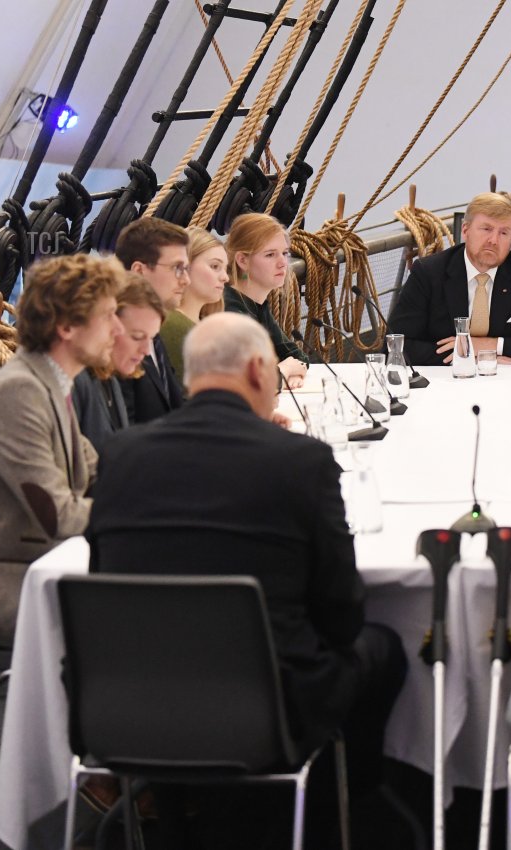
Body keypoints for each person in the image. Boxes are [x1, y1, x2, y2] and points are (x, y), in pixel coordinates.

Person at [87, 313, 404, 844]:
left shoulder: (121, 456)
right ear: (260, 370)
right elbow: (342, 611)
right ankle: (346, 807)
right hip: (268, 709)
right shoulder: (301, 463)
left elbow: (104, 579)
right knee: (384, 647)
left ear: (190, 379)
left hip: (127, 704)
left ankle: (173, 796)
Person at [0, 254, 125, 646]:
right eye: (108, 317)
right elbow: (59, 516)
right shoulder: (19, 393)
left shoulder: (50, 382)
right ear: (67, 326)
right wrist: (137, 511)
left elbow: (101, 469)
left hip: (59, 566)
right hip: (21, 590)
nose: (118, 329)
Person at [386, 192, 511, 366]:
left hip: (506, 384)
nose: (494, 240)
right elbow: (394, 348)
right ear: (465, 230)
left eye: (504, 233)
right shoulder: (428, 272)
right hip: (444, 383)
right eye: (486, 229)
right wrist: (472, 356)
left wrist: (492, 345)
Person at [71, 275, 165, 451]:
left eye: (151, 339)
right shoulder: (76, 381)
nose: (146, 351)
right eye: (137, 337)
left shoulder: (111, 379)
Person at [114, 217, 191, 422]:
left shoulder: (152, 333)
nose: (186, 280)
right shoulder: (117, 337)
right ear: (139, 271)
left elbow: (176, 406)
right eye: (177, 268)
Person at [222, 213, 309, 388]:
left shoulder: (257, 305)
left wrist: (288, 375)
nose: (282, 263)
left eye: (284, 253)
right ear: (242, 260)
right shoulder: (230, 310)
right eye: (270, 255)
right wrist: (284, 372)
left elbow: (299, 358)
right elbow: (252, 382)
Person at [160, 226, 228, 381]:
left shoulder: (201, 326)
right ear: (184, 266)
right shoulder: (172, 326)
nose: (225, 277)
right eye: (215, 266)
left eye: (225, 269)